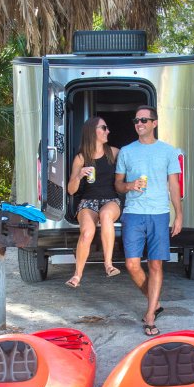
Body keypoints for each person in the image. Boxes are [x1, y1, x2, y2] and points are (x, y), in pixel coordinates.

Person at [115, 106, 182, 336]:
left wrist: (179, 214)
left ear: (154, 123)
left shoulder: (168, 152)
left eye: (144, 120)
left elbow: (174, 185)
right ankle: (155, 301)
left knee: (155, 264)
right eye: (136, 120)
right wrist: (129, 186)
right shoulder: (126, 151)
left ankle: (150, 315)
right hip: (133, 212)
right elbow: (118, 185)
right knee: (132, 264)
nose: (139, 123)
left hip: (159, 213)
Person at [64, 116, 121, 288]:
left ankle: (108, 265)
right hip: (88, 201)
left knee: (105, 215)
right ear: (92, 131)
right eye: (104, 128)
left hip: (110, 200)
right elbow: (71, 190)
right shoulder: (81, 158)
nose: (108, 131)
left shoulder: (114, 152)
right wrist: (79, 175)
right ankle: (77, 275)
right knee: (87, 232)